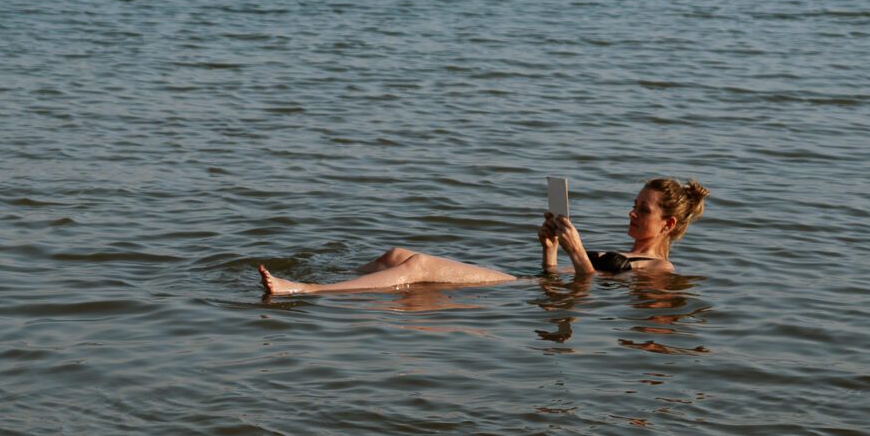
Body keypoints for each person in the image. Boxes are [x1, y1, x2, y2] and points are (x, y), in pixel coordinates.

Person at [256, 177, 709, 295]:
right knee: (397, 254)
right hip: (528, 285)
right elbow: (559, 285)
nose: (632, 212)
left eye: (642, 210)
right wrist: (552, 251)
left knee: (419, 266)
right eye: (634, 204)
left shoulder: (659, 269)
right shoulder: (623, 251)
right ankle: (334, 283)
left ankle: (307, 290)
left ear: (667, 224)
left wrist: (578, 256)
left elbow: (587, 290)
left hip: (510, 293)